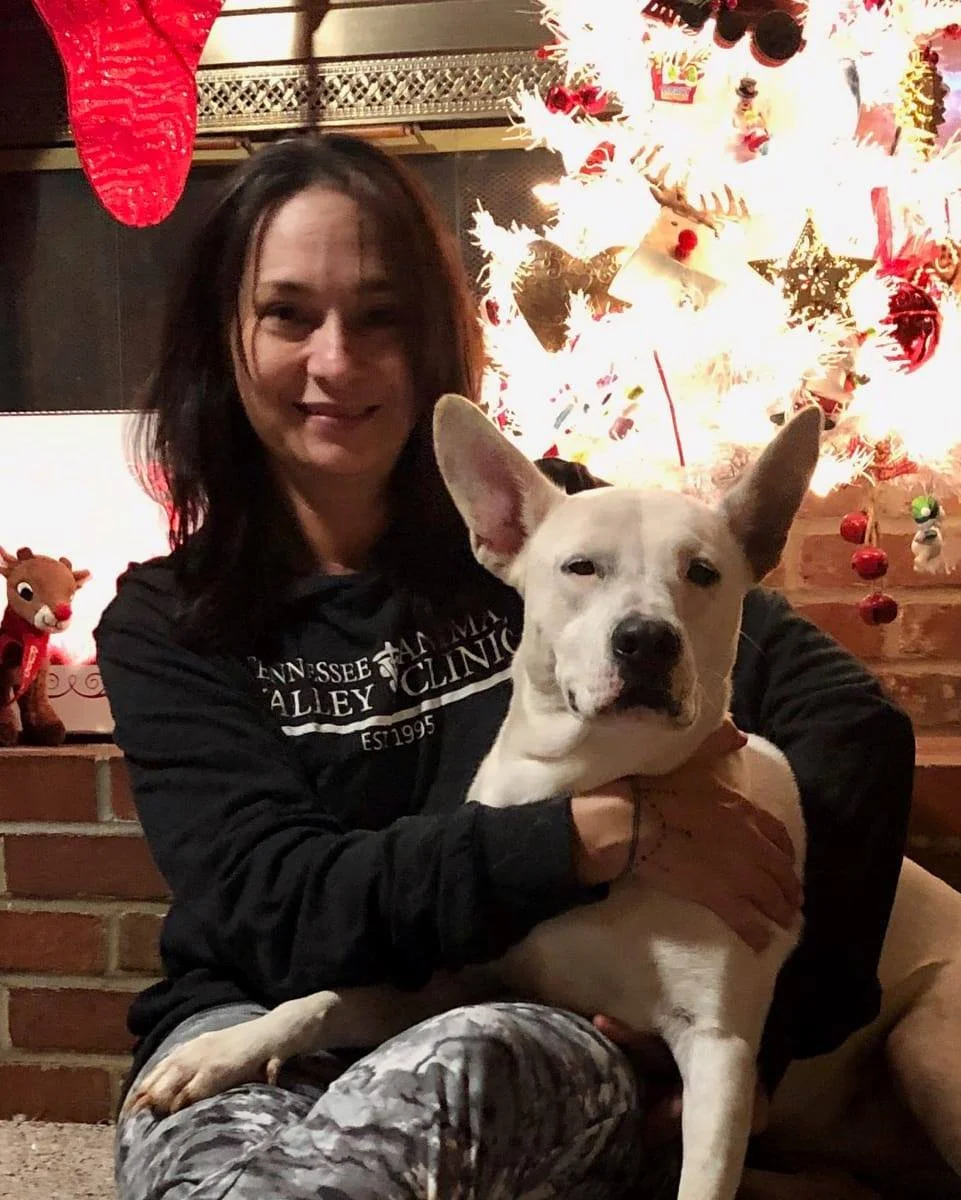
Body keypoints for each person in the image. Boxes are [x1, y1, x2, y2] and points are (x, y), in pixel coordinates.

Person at [95, 134, 915, 1200]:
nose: (336, 362)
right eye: (287, 314)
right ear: (226, 334)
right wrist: (600, 834)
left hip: (515, 1018)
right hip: (259, 1009)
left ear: (434, 338)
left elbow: (852, 727)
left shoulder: (574, 535)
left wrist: (772, 1044)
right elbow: (276, 903)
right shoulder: (168, 620)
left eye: (381, 317)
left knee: (450, 1087)